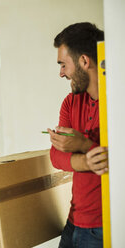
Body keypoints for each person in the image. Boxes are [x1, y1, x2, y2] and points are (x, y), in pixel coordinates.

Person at [47, 22, 109, 248]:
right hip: (73, 220)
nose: (61, 73)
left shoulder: (117, 103)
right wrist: (86, 159)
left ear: (84, 61)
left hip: (104, 225)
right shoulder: (71, 102)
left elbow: (114, 164)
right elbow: (55, 156)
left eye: (63, 64)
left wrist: (83, 143)